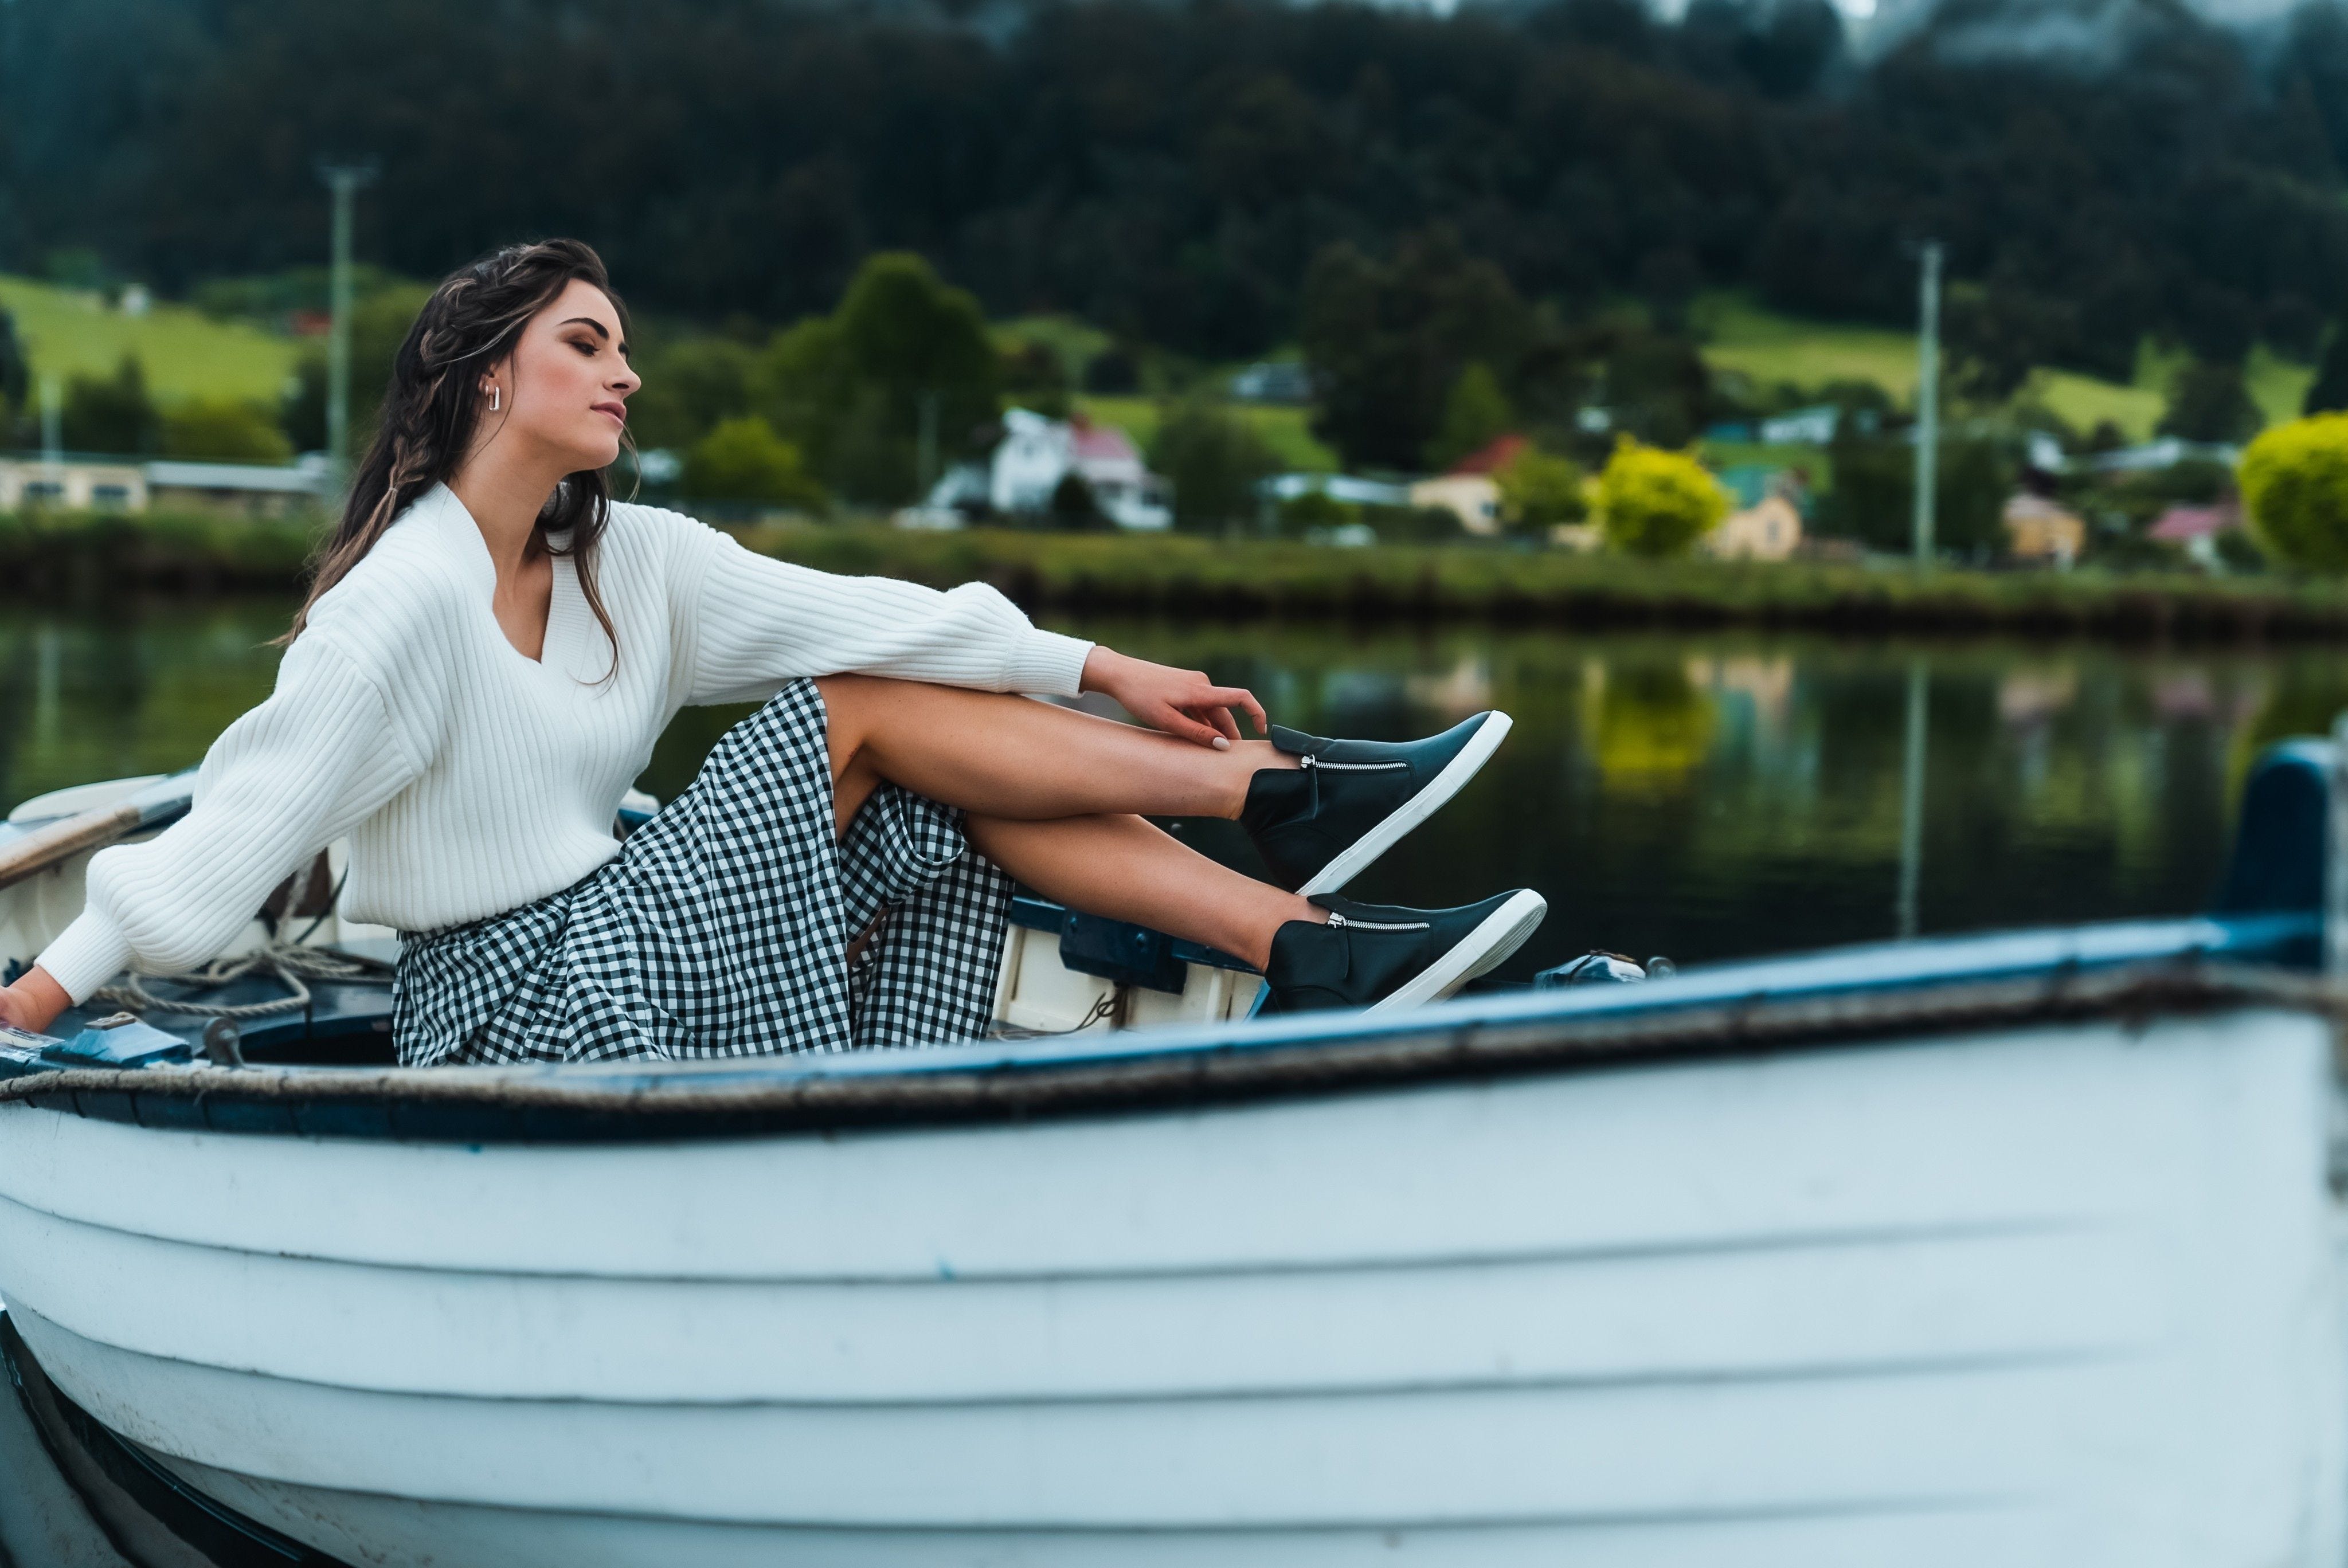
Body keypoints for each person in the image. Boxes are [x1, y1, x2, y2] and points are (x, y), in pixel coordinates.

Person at [0, 241, 1543, 1060]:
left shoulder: (632, 564)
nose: (630, 372)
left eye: (624, 346)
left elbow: (887, 620)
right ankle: (1279, 802)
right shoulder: (395, 607)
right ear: (479, 379)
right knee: (855, 719)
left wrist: (1097, 665)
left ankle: (1314, 948)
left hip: (634, 955)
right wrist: (31, 1005)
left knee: (924, 751)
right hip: (504, 1012)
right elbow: (233, 834)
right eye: (586, 344)